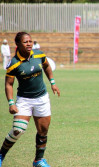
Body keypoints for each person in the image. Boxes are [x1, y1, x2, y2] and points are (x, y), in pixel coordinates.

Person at [0, 32, 60, 167]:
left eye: (30, 41)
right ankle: (1, 154)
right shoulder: (14, 63)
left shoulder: (39, 54)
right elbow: (8, 84)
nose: (29, 44)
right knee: (18, 130)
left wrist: (52, 82)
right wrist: (11, 103)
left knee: (43, 131)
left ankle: (38, 160)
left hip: (42, 99)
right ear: (18, 44)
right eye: (25, 42)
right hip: (24, 100)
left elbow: (46, 66)